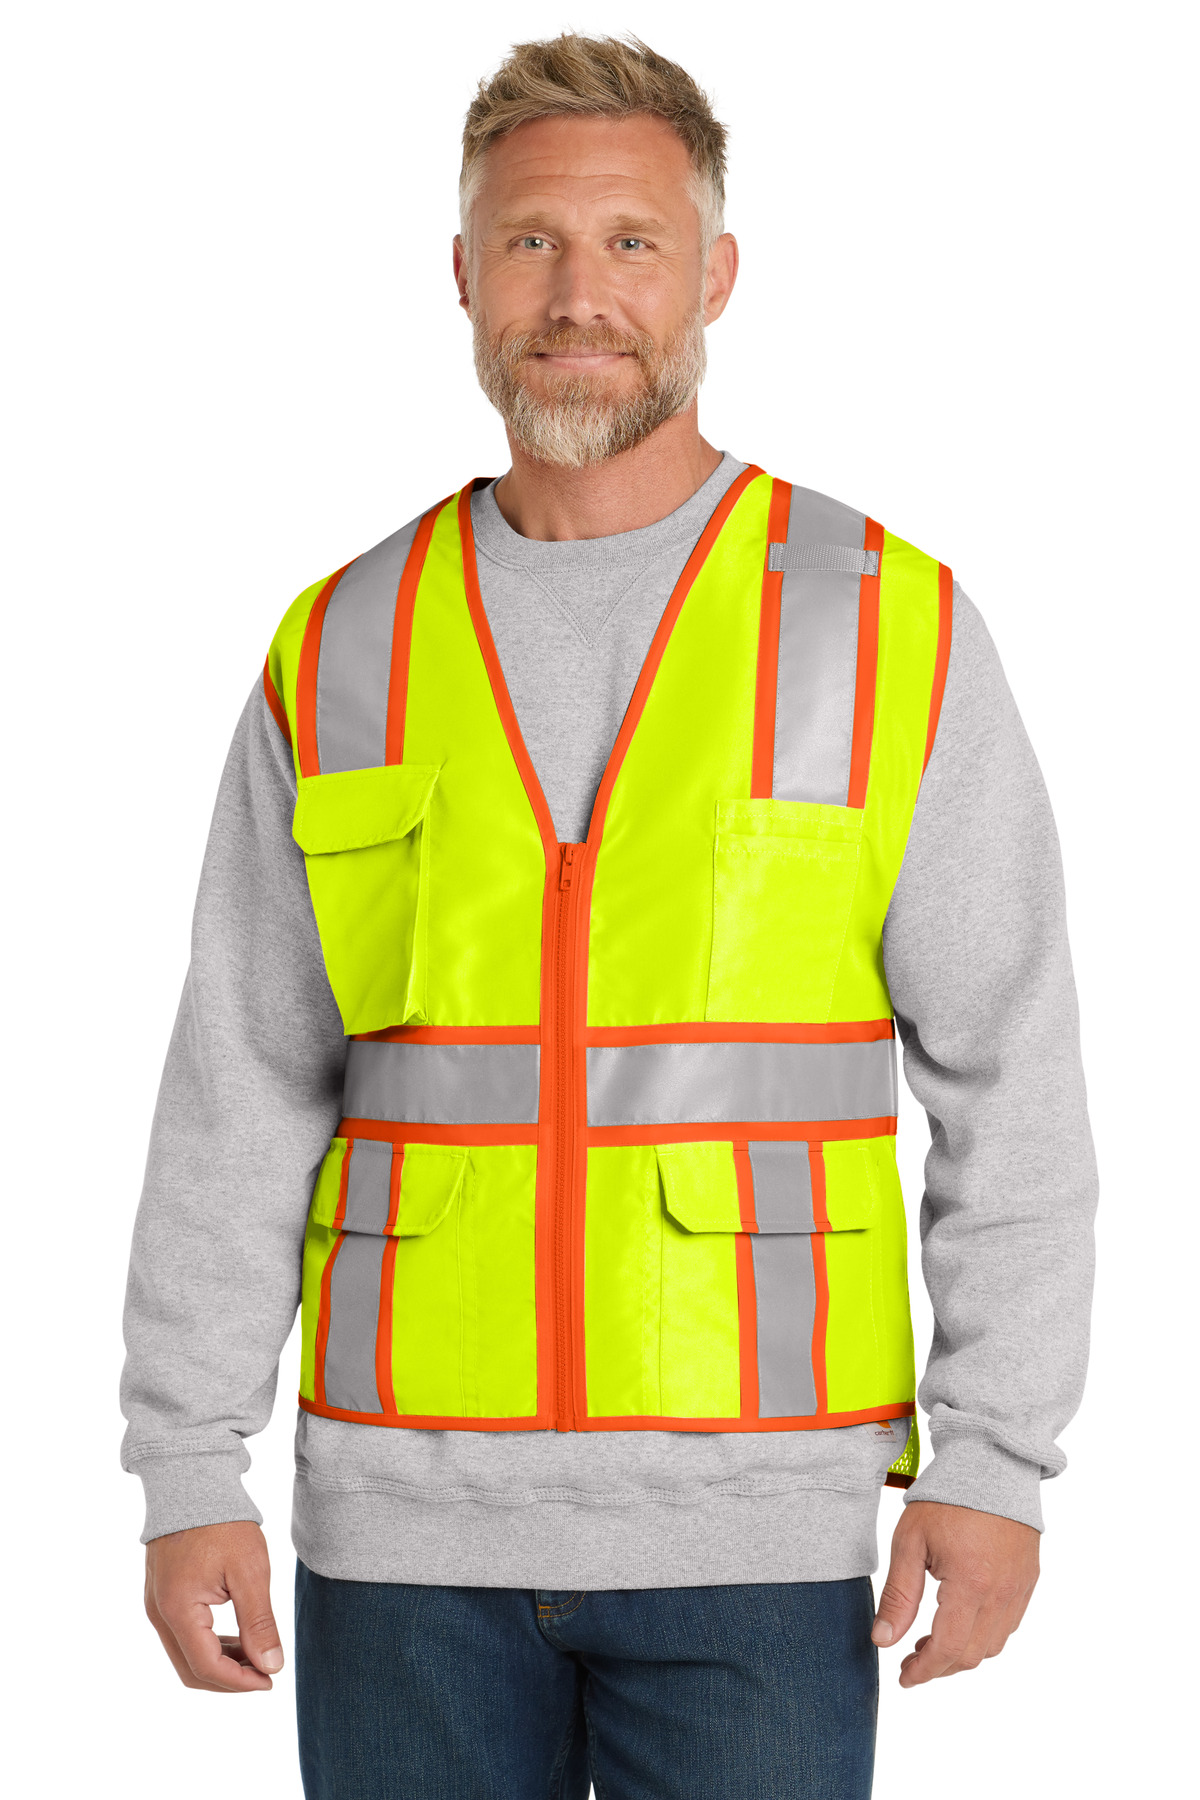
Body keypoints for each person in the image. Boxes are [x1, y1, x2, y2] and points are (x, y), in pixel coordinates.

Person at [121, 32, 1098, 1800]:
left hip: (762, 1534)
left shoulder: (883, 626)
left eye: (633, 242)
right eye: (533, 242)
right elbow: (240, 1086)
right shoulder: (343, 645)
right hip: (400, 1540)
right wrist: (188, 1465)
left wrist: (997, 1461)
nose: (580, 296)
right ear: (463, 275)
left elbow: (1012, 1078)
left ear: (716, 273)